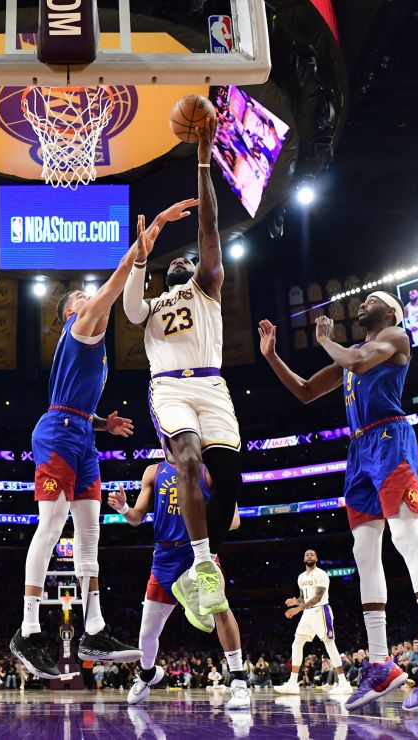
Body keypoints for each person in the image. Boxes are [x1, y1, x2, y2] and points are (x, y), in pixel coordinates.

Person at [257, 294, 418, 713]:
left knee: (406, 537)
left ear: (389, 311)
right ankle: (379, 663)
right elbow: (304, 392)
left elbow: (356, 364)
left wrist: (324, 342)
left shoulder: (395, 336)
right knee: (363, 553)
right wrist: (271, 356)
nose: (362, 303)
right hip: (358, 451)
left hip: (390, 438)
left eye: (371, 298)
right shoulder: (351, 352)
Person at [10, 202, 194, 679]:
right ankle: (28, 632)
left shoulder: (93, 342)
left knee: (90, 534)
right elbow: (113, 286)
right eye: (78, 295)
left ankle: (94, 628)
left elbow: (72, 402)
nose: (85, 296)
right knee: (50, 528)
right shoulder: (83, 325)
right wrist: (146, 239)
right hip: (55, 434)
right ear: (70, 311)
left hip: (80, 435)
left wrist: (101, 425)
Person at [122, 112, 247, 630]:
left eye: (186, 260)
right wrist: (137, 259)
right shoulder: (150, 304)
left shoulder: (207, 285)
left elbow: (209, 225)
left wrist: (202, 156)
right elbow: (127, 311)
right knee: (189, 460)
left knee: (230, 481)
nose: (182, 263)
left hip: (212, 385)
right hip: (170, 389)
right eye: (169, 264)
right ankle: (200, 563)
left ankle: (203, 563)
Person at [108, 461, 249, 711]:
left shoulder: (211, 468)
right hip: (164, 557)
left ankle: (239, 681)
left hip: (199, 552)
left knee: (220, 607)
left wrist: (199, 524)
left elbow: (234, 520)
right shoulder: (154, 471)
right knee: (147, 633)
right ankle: (148, 675)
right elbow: (136, 518)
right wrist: (123, 508)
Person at [273, 549, 350, 695]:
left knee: (329, 643)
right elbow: (304, 598)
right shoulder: (301, 577)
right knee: (297, 644)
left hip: (320, 610)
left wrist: (297, 609)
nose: (309, 556)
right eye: (307, 554)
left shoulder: (321, 574)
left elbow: (317, 598)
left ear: (316, 558)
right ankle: (293, 683)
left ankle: (344, 682)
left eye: (312, 554)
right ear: (304, 559)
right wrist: (296, 602)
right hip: (307, 613)